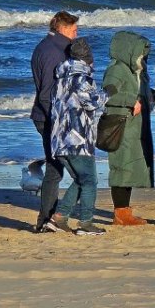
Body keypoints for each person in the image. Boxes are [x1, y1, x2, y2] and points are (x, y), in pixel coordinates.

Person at [50, 38, 108, 236]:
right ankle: (86, 223)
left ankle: (59, 218)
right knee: (90, 180)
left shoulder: (59, 77)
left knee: (80, 179)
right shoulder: (82, 77)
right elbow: (92, 103)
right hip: (77, 140)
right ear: (87, 58)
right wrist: (107, 93)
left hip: (58, 140)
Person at [29, 10, 78, 233]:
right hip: (50, 117)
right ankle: (48, 218)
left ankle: (47, 219)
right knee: (59, 169)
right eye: (75, 29)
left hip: (45, 115)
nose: (76, 34)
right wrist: (58, 122)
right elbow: (48, 93)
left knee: (55, 167)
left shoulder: (45, 46)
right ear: (64, 28)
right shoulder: (54, 53)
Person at [102, 30, 154, 225]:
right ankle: (120, 214)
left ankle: (124, 212)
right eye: (141, 53)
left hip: (136, 127)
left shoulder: (138, 72)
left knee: (130, 168)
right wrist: (131, 100)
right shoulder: (116, 69)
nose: (143, 57)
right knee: (121, 167)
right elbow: (107, 95)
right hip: (121, 126)